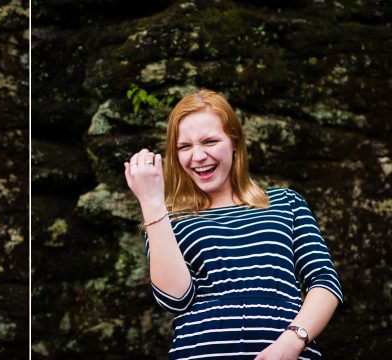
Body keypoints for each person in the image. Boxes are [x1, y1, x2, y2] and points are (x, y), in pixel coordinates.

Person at [124, 89, 342, 359]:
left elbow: (324, 282)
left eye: (210, 141)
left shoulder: (286, 202)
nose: (198, 156)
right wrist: (151, 201)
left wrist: (292, 341)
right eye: (185, 147)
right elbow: (176, 299)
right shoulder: (166, 219)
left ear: (234, 142)